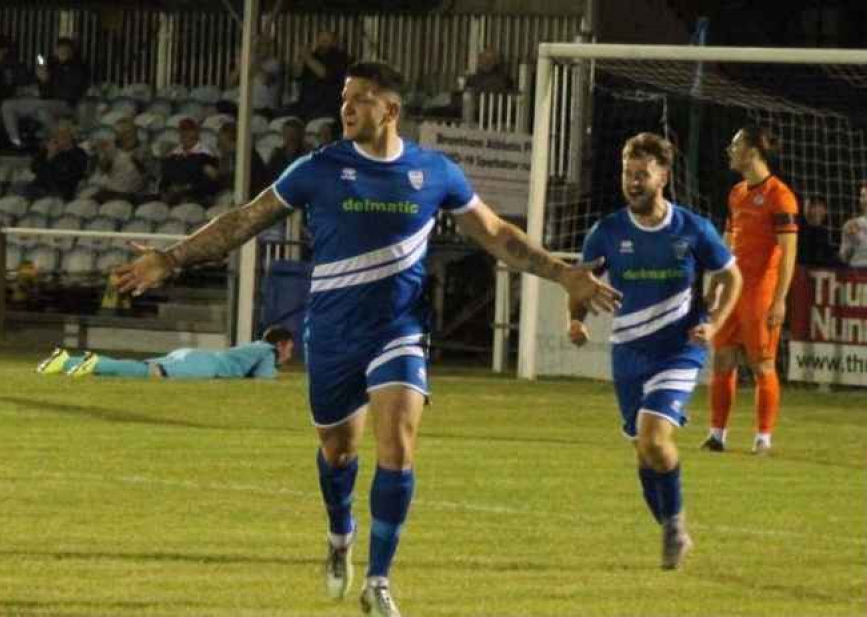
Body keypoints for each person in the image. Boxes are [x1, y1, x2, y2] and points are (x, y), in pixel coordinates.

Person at [114, 61, 620, 616]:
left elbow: (498, 236)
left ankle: (378, 580)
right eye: (344, 98)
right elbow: (243, 220)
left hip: (399, 330)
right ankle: (339, 535)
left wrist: (563, 272)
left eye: (359, 98)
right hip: (333, 335)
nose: (346, 108)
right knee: (338, 451)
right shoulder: (318, 168)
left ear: (391, 110)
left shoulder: (435, 172)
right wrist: (172, 257)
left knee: (398, 447)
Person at [569, 132, 742, 570]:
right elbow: (581, 281)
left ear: (663, 176)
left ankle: (676, 523)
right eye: (628, 174)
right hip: (628, 354)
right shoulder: (607, 232)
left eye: (641, 174)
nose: (632, 182)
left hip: (679, 351)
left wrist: (715, 322)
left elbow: (730, 277)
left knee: (654, 437)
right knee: (643, 450)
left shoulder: (692, 229)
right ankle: (670, 527)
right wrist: (575, 319)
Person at [702, 126, 798, 455]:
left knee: (762, 364)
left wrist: (780, 299)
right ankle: (717, 435)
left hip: (761, 292)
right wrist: (715, 283)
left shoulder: (780, 195)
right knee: (723, 359)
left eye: (736, 144)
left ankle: (763, 439)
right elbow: (727, 246)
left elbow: (788, 252)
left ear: (753, 152)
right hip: (733, 291)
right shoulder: (737, 193)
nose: (730, 150)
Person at [36, 326, 294, 379]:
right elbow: (264, 379)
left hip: (193, 355)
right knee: (153, 373)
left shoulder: (254, 347)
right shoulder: (268, 351)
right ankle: (96, 363)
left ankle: (67, 361)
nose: (289, 356)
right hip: (206, 366)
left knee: (139, 368)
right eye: (289, 350)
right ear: (281, 344)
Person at [1, 37, 89, 150]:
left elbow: (71, 92)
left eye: (66, 49)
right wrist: (41, 79)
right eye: (60, 49)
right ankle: (16, 142)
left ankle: (65, 143)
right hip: (46, 103)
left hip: (66, 104)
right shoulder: (51, 64)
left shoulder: (78, 66)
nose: (62, 52)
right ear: (56, 50)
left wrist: (49, 80)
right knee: (8, 105)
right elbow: (40, 76)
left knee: (41, 108)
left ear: (71, 51)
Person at [158, 117, 220, 206]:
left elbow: (210, 182)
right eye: (183, 131)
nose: (186, 134)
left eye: (189, 130)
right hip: (173, 196)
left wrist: (186, 188)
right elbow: (165, 177)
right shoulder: (173, 155)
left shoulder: (207, 155)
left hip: (196, 197)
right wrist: (164, 191)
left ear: (196, 132)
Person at [86, 117, 149, 203]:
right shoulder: (113, 149)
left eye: (128, 132)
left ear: (135, 132)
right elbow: (103, 170)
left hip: (130, 194)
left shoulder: (143, 149)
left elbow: (147, 175)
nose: (126, 136)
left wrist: (136, 159)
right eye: (122, 133)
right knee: (89, 203)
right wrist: (106, 155)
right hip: (111, 191)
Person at [293, 30, 350, 121]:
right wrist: (301, 58)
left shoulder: (340, 57)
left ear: (334, 41)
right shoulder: (313, 56)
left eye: (327, 39)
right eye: (321, 39)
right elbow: (297, 74)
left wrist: (307, 57)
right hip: (305, 105)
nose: (323, 42)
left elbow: (325, 74)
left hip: (327, 107)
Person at [26, 123, 88, 201]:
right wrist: (49, 156)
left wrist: (50, 160)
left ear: (71, 137)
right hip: (39, 187)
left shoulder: (79, 154)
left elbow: (63, 175)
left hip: (60, 190)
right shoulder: (49, 150)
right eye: (58, 135)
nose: (60, 138)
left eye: (64, 136)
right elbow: (34, 168)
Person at [227, 35, 282, 118]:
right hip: (241, 104)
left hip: (262, 107)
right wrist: (239, 66)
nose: (258, 49)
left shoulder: (274, 63)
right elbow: (229, 84)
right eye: (256, 46)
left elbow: (265, 80)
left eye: (262, 46)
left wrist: (253, 60)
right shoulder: (248, 61)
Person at [797, 194, 838, 268]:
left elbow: (829, 256)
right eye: (813, 206)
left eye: (820, 207)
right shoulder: (798, 230)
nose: (816, 211)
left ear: (825, 211)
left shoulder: (824, 232)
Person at [839, 182, 867, 268]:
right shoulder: (850, 224)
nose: (865, 199)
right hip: (856, 275)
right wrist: (852, 240)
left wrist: (861, 237)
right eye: (862, 196)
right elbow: (843, 257)